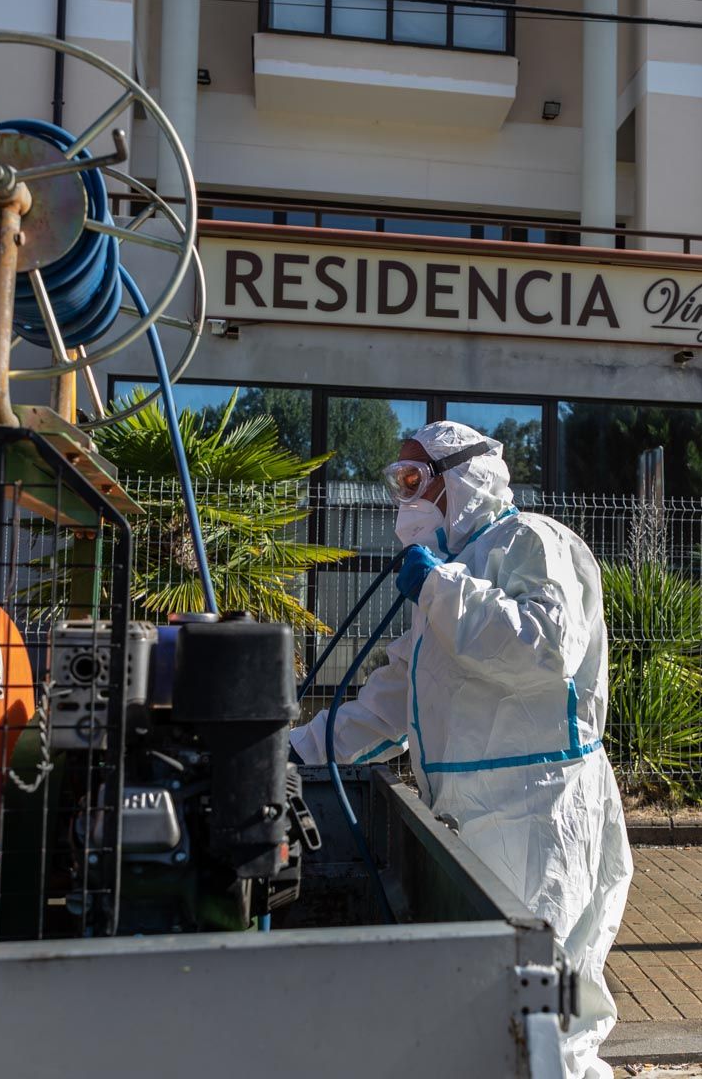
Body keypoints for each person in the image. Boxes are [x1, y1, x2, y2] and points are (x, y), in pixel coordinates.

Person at [291, 420, 634, 1079]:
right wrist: (295, 751)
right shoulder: (450, 574)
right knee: (502, 1014)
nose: (404, 498)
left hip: (539, 812)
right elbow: (393, 703)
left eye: (415, 480)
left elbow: (543, 650)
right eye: (398, 483)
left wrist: (440, 590)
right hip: (472, 816)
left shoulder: (531, 540)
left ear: (463, 478)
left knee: (545, 1011)